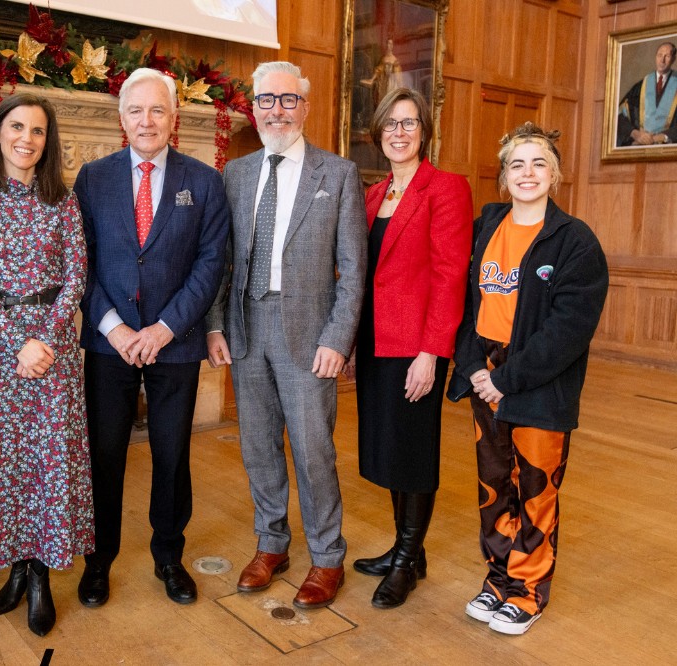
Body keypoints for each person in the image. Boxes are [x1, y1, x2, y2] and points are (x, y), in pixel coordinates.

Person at [206, 61, 367, 610]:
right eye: (267, 100)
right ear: (254, 108)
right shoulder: (236, 173)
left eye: (288, 100)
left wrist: (337, 339)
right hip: (247, 329)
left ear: (305, 106)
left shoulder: (338, 174)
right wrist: (215, 324)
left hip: (309, 336)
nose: (277, 109)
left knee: (313, 449)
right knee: (258, 448)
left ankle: (327, 556)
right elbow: (222, 260)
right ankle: (272, 543)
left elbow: (353, 267)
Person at [74, 68, 230, 607]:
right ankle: (99, 561)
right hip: (108, 344)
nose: (147, 121)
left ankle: (169, 555)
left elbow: (211, 264)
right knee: (105, 453)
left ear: (173, 118)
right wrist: (115, 329)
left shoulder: (205, 181)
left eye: (157, 110)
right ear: (121, 119)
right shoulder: (92, 179)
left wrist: (164, 329)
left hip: (176, 342)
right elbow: (80, 266)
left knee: (171, 454)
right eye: (136, 111)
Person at [447, 122, 608, 635]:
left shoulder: (574, 241)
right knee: (493, 486)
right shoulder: (485, 227)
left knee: (535, 490)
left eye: (539, 163)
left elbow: (568, 330)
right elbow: (465, 304)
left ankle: (530, 588)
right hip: (483, 376)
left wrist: (507, 379)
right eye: (517, 164)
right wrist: (474, 368)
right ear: (503, 176)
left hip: (537, 383)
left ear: (555, 174)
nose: (528, 173)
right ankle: (498, 580)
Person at [0, 93, 94, 637]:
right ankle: (14, 567)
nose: (26, 139)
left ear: (47, 141)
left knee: (49, 460)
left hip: (55, 349)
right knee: (6, 462)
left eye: (38, 131)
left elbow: (77, 276)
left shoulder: (62, 199)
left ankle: (41, 576)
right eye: (17, 127)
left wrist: (47, 338)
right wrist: (18, 342)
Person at [346, 87, 473, 609]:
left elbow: (449, 276)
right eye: (391, 124)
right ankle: (409, 549)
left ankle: (405, 561)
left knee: (414, 450)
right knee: (389, 446)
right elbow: (360, 274)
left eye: (409, 123)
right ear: (379, 134)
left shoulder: (445, 189)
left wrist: (431, 351)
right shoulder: (374, 195)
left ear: (424, 132)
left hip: (416, 343)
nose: (399, 133)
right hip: (376, 340)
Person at [617, 42, 677, 146]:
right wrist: (636, 134)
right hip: (640, 147)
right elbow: (619, 116)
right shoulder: (640, 87)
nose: (662, 60)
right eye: (659, 55)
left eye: (667, 56)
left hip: (668, 150)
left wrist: (662, 137)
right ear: (655, 57)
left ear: (673, 59)